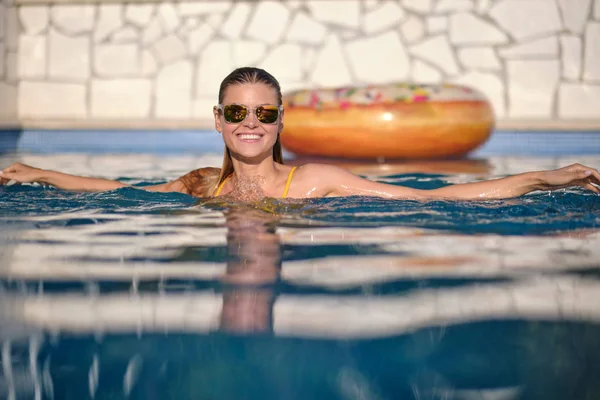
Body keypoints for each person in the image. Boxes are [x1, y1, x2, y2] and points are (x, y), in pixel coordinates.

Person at [1, 67, 599, 200]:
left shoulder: (310, 180)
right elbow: (121, 191)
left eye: (264, 113)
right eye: (237, 113)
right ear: (218, 120)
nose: (252, 123)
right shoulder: (203, 184)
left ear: (281, 120)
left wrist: (549, 175)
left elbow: (430, 198)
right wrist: (38, 172)